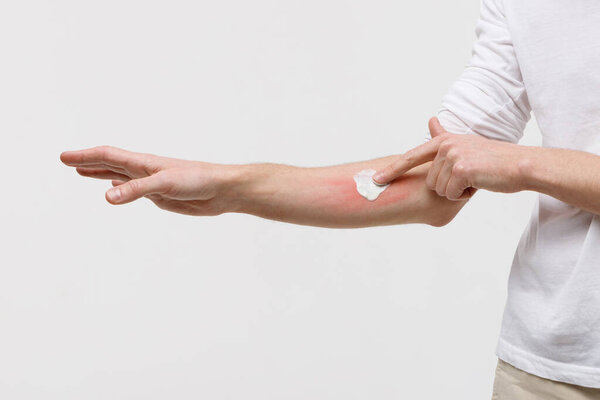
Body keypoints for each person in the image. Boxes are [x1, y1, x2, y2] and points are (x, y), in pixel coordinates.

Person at [61, 0, 600, 397]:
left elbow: (498, 162)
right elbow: (433, 183)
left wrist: (527, 164)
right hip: (549, 366)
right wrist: (229, 186)